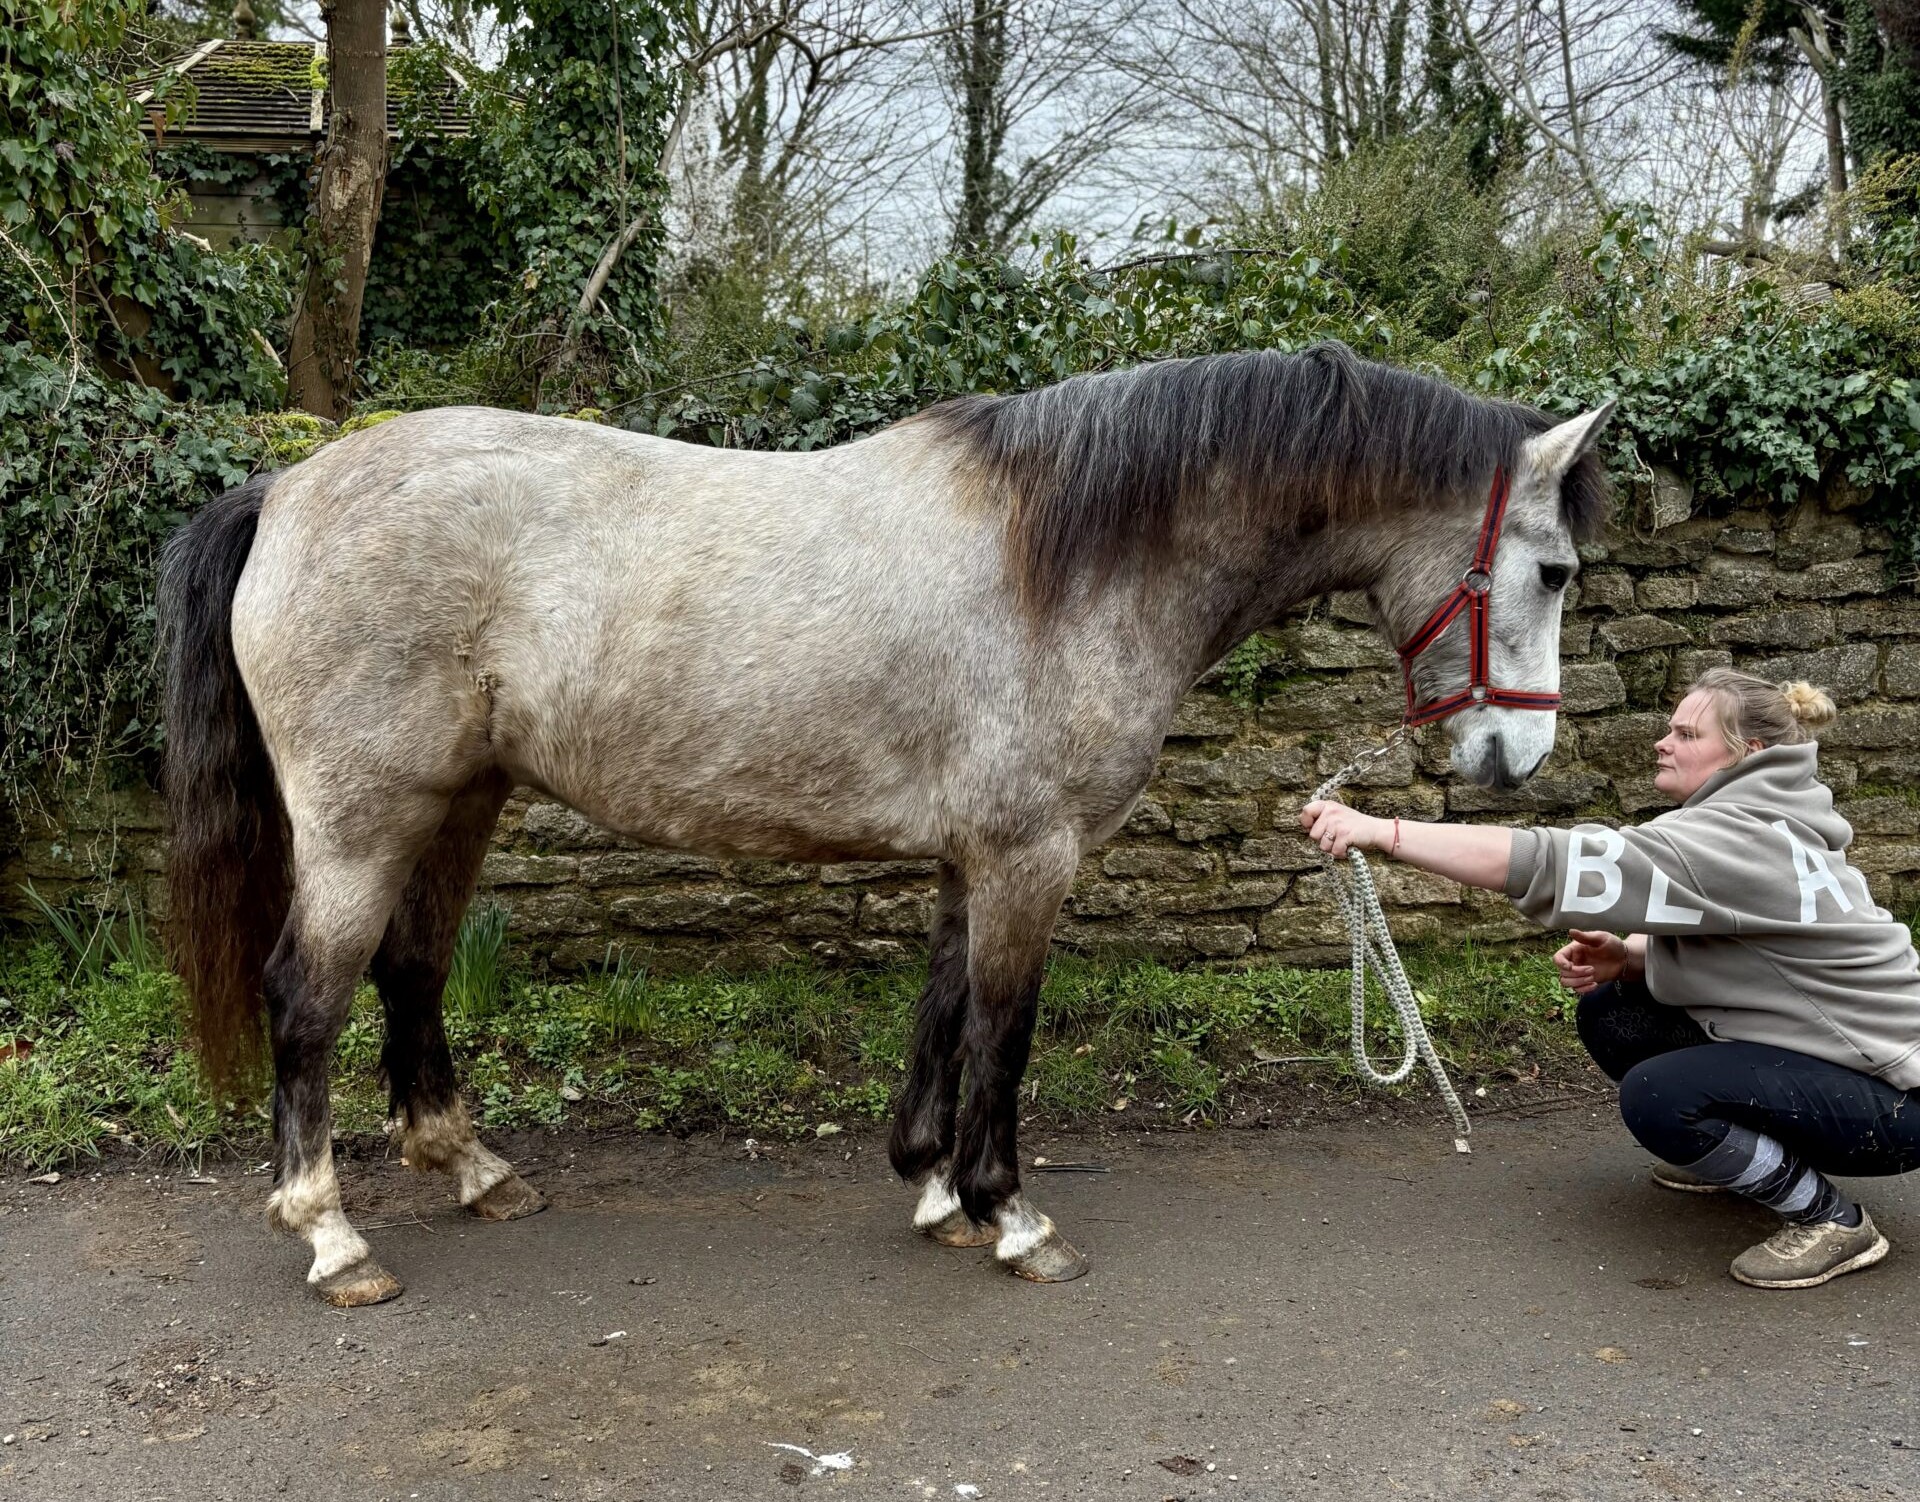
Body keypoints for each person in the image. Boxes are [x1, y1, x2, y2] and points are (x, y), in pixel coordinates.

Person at [1299, 668, 1920, 1289]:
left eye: (1685, 733)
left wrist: (1384, 832)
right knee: (1614, 1008)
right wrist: (1628, 961)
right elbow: (1764, 957)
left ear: (1745, 755)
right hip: (1850, 1069)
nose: (1662, 742)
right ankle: (1744, 1158)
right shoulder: (1769, 821)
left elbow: (1548, 860)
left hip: (1897, 1101)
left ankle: (1832, 1220)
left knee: (1659, 1095)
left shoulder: (1734, 837)